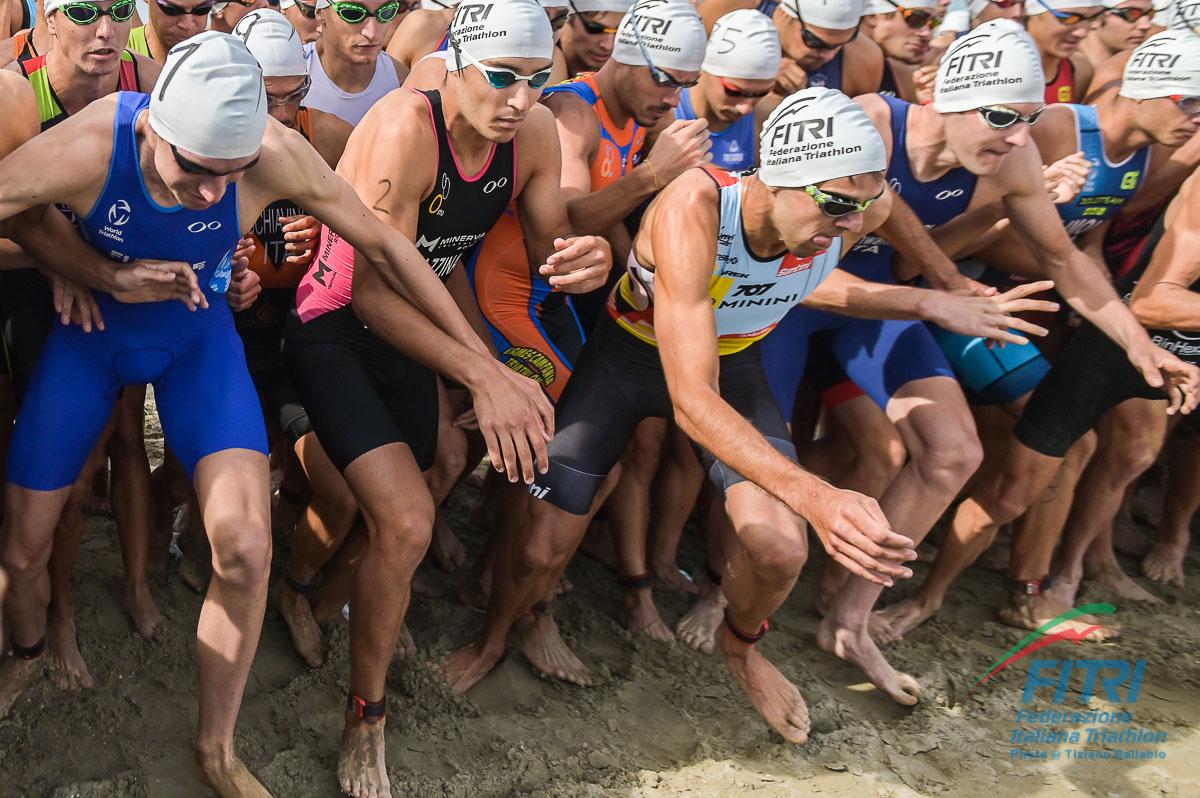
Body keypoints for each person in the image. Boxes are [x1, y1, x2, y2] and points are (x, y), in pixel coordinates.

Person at [0, 30, 555, 796]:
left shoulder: (273, 155)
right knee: (24, 551)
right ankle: (27, 655)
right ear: (154, 128)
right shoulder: (96, 139)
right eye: (191, 170)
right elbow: (13, 208)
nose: (207, 194)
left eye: (226, 178)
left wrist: (483, 370)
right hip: (91, 340)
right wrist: (84, 267)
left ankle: (218, 748)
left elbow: (392, 253)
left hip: (199, 345)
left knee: (247, 549)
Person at [286, 2, 610, 794]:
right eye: (501, 79)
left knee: (432, 480)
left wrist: (589, 259)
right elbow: (368, 292)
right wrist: (481, 372)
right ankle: (365, 714)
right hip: (339, 322)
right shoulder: (404, 127)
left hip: (424, 317)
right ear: (456, 65)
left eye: (538, 81)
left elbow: (545, 253)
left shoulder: (528, 134)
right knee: (403, 517)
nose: (520, 101)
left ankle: (329, 593)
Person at [881, 28, 1200, 637]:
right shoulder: (1054, 128)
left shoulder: (1140, 156)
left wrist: (1127, 331)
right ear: (1148, 91)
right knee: (913, 451)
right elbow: (963, 248)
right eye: (1190, 103)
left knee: (1058, 450)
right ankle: (995, 582)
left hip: (1016, 305)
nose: (1197, 120)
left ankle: (1030, 580)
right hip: (967, 294)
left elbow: (1077, 246)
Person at [0, 0, 170, 694]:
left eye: (117, 10)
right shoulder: (15, 92)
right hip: (27, 286)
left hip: (102, 293)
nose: (104, 30)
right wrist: (58, 263)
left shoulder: (148, 81)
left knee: (87, 472)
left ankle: (66, 611)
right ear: (44, 25)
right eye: (81, 11)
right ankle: (30, 613)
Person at [675, 9, 779, 172]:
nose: (746, 108)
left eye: (761, 94)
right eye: (735, 92)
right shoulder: (663, 113)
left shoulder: (767, 120)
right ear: (704, 69)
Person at [304, 0, 405, 126]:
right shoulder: (290, 77)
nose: (372, 34)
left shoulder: (402, 83)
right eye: (353, 13)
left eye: (386, 12)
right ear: (321, 15)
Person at [773, 0, 883, 97]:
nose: (829, 56)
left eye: (840, 44)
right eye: (816, 42)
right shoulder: (756, 31)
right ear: (783, 14)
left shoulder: (863, 59)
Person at [1026, 0, 1105, 104]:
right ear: (1032, 14)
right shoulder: (1002, 67)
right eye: (1068, 18)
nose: (1082, 33)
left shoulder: (1080, 71)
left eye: (1092, 18)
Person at [863, 0, 941, 100]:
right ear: (873, 16)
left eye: (934, 23)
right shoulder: (840, 63)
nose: (927, 34)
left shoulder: (909, 78)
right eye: (917, 19)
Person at [556, 0, 627, 76]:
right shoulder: (548, 56)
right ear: (567, 19)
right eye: (595, 29)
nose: (608, 46)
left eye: (620, 31)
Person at [126, 0, 213, 62]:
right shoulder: (119, 53)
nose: (187, 25)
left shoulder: (220, 55)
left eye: (202, 9)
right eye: (171, 9)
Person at [1079, 0, 1153, 69]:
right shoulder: (1076, 68)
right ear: (1095, 18)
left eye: (1151, 14)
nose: (1146, 25)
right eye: (1131, 14)